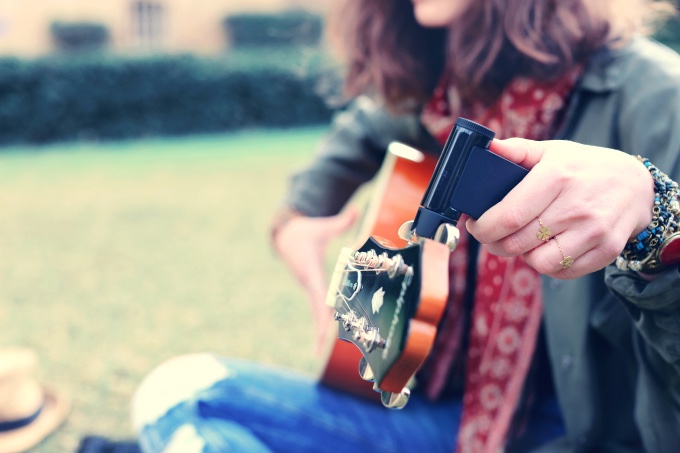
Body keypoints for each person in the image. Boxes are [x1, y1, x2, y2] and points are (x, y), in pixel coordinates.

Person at [130, 0, 680, 452]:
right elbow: (360, 132)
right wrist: (298, 219)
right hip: (437, 415)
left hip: (576, 437)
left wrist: (654, 212)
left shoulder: (657, 94)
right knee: (181, 393)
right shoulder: (440, 86)